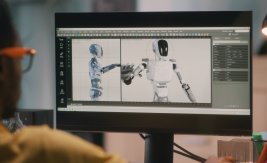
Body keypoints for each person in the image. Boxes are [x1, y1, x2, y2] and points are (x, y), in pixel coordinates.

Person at [0, 0, 234, 162]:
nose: (21, 69)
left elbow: (181, 82)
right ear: (3, 67)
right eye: (20, 56)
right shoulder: (39, 149)